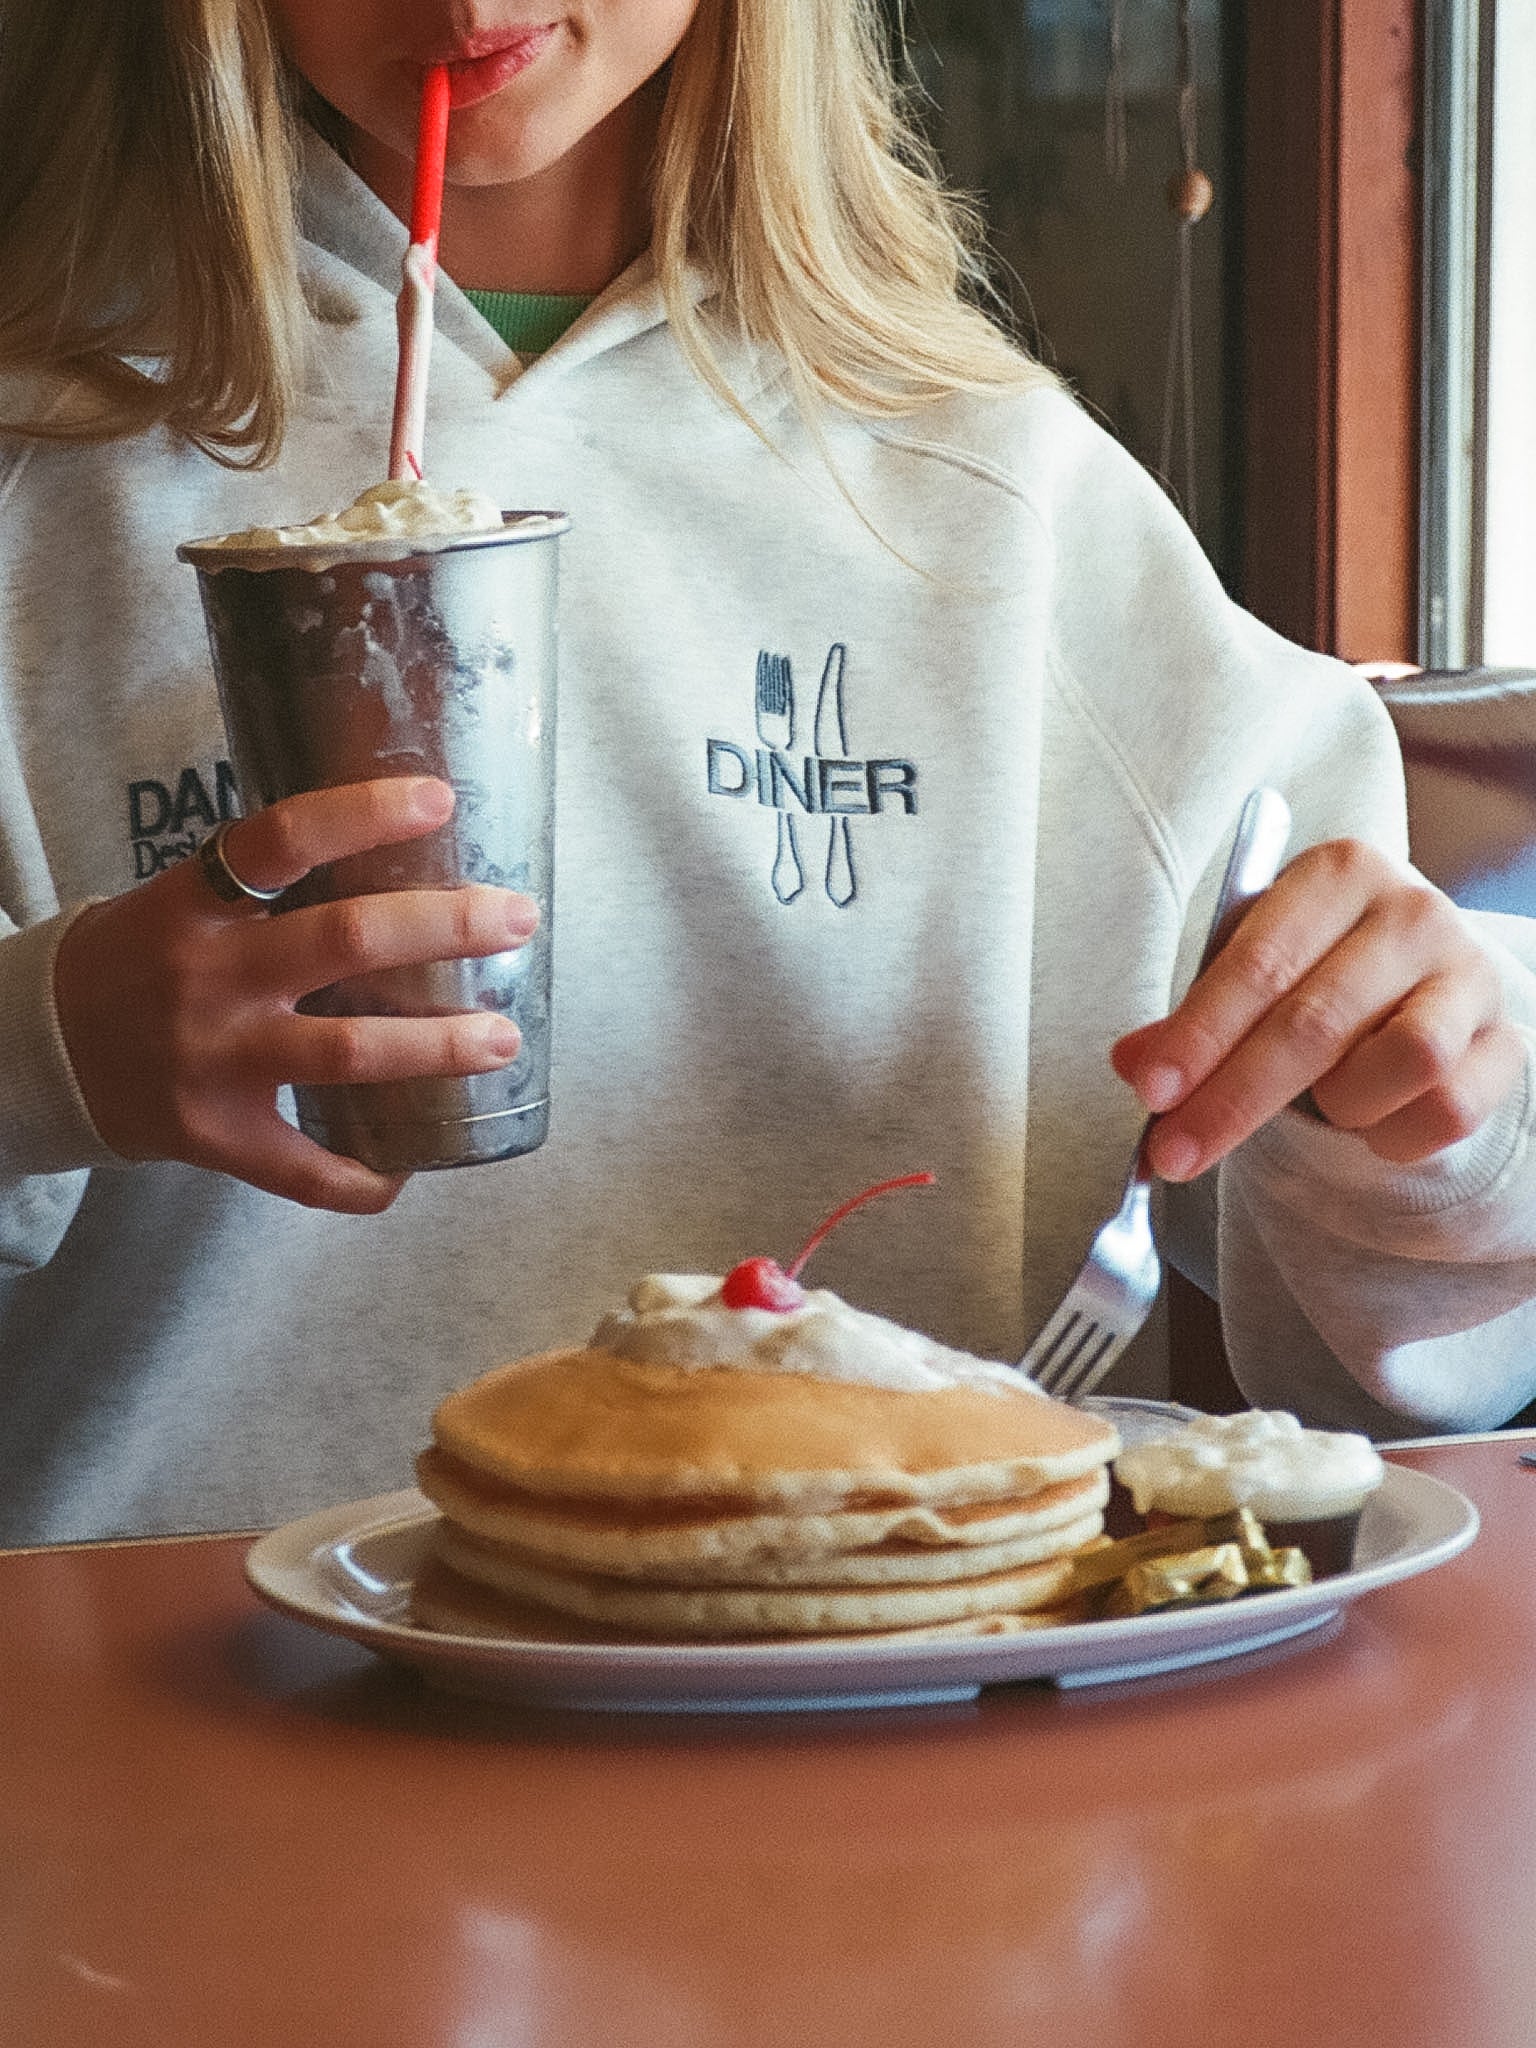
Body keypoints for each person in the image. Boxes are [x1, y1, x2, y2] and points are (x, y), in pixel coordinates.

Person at [1, 0, 1534, 1546]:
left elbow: (1387, 1310)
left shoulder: (1002, 504)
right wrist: (46, 1045)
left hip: (895, 1691)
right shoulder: (37, 486)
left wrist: (1423, 1093)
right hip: (162, 1711)